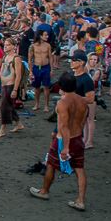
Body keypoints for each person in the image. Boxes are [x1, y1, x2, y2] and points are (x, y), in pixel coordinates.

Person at [29, 72, 89, 211]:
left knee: (51, 164)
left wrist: (65, 147)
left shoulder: (62, 103)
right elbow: (83, 121)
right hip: (78, 137)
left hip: (64, 140)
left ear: (61, 86)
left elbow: (63, 126)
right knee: (79, 169)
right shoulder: (82, 101)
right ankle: (80, 200)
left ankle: (44, 191)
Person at [0, 37, 25, 138]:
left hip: (11, 85)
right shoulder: (5, 57)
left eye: (8, 45)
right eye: (5, 45)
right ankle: (19, 124)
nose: (5, 47)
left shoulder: (16, 58)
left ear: (13, 46)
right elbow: (0, 73)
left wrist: (15, 89)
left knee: (4, 107)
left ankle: (2, 129)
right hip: (4, 85)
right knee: (9, 106)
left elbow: (18, 75)